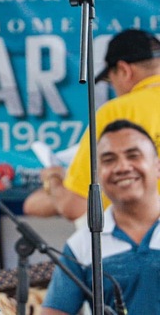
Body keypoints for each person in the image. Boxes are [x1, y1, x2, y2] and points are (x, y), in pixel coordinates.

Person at [23, 29, 160, 220]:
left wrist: (52, 178)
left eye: (111, 81)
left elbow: (77, 207)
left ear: (124, 70)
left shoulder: (117, 112)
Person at [40, 119, 160, 315]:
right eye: (109, 159)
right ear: (97, 174)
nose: (122, 167)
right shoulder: (82, 245)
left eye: (133, 155)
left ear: (157, 166)